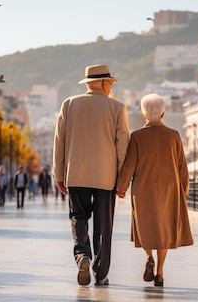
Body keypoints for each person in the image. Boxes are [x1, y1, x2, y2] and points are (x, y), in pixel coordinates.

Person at [53, 64, 130, 286]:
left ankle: (82, 256)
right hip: (106, 177)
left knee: (78, 217)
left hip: (75, 173)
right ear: (105, 84)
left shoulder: (69, 104)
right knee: (104, 225)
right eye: (110, 84)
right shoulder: (117, 108)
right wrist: (122, 179)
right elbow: (122, 147)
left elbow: (60, 143)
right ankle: (101, 271)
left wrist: (60, 174)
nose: (110, 87)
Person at [116, 93, 194, 287]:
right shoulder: (174, 136)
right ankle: (159, 273)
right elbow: (182, 167)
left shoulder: (137, 137)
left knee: (146, 227)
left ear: (143, 115)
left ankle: (148, 256)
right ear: (163, 113)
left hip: (143, 190)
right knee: (164, 230)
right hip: (169, 190)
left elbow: (129, 166)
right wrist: (183, 190)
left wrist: (122, 187)